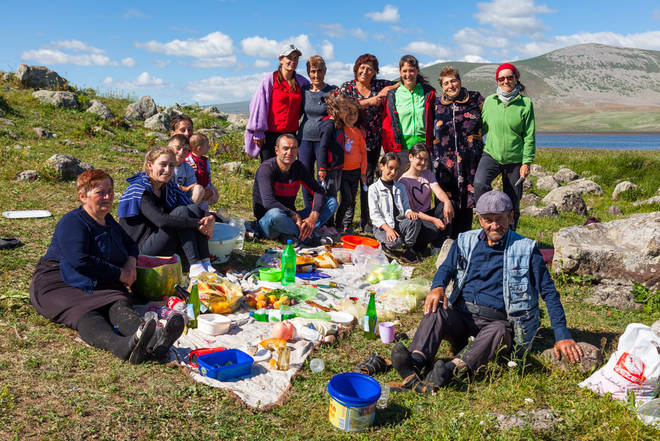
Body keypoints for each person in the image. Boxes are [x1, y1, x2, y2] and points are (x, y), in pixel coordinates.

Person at [390, 190, 583, 394]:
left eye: (500, 219)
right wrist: (437, 286)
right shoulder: (465, 241)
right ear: (480, 220)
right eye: (488, 220)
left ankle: (453, 369)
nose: (494, 226)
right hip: (462, 316)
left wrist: (562, 334)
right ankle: (417, 361)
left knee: (499, 330)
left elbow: (549, 293)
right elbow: (446, 268)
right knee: (437, 310)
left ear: (510, 216)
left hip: (497, 323)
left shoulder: (526, 249)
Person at [30, 170, 184, 364]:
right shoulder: (72, 222)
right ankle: (122, 346)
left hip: (97, 279)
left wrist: (130, 265)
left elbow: (130, 245)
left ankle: (151, 338)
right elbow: (79, 260)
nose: (107, 197)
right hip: (59, 281)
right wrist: (120, 274)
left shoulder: (107, 220)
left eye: (110, 192)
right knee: (86, 312)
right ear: (83, 196)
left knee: (118, 302)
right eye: (100, 192)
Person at [118, 146, 216, 278]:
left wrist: (208, 219)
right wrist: (198, 223)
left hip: (159, 240)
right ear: (150, 165)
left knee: (190, 209)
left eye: (171, 166)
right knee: (181, 213)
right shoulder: (139, 190)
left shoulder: (168, 186)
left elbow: (190, 207)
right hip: (139, 251)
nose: (168, 170)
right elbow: (161, 220)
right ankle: (195, 266)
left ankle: (205, 262)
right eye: (163, 165)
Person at [338, 54, 398, 233]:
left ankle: (367, 221)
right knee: (349, 184)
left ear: (375, 72)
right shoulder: (347, 87)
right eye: (362, 68)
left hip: (372, 142)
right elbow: (342, 107)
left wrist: (388, 90)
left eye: (369, 69)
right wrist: (368, 102)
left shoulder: (378, 85)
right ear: (356, 69)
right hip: (350, 143)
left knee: (369, 182)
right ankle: (343, 222)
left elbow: (397, 83)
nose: (365, 71)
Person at [475, 63, 535, 230]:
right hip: (491, 154)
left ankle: (510, 234)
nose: (506, 81)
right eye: (501, 78)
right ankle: (486, 223)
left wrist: (526, 162)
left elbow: (529, 135)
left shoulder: (526, 104)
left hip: (515, 158)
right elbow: (482, 127)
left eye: (510, 77)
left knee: (513, 199)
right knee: (479, 184)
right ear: (497, 81)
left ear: (516, 79)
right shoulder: (490, 101)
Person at [252, 134, 337, 245]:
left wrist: (313, 216)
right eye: (285, 148)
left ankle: (296, 233)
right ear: (276, 150)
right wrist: (293, 215)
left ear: (297, 150)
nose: (290, 152)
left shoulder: (298, 167)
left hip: (292, 219)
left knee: (331, 202)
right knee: (275, 214)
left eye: (294, 148)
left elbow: (319, 191)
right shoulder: (267, 169)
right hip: (269, 221)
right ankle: (309, 237)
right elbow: (268, 203)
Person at [433, 66, 485, 239]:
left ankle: (465, 237)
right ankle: (445, 238)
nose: (450, 86)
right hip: (444, 162)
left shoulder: (475, 98)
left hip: (470, 159)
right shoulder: (437, 104)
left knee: (467, 199)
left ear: (460, 81)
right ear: (442, 87)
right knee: (446, 198)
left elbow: (490, 120)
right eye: (446, 83)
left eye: (453, 81)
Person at [245, 44, 310, 162]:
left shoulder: (301, 82)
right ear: (281, 59)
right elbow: (259, 105)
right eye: (289, 57)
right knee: (269, 169)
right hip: (269, 135)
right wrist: (258, 131)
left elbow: (312, 97)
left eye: (296, 58)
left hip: (291, 134)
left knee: (287, 171)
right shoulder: (270, 79)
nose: (293, 61)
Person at [382, 55, 436, 176]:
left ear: (417, 70)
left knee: (424, 185)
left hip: (423, 147)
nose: (408, 74)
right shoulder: (393, 94)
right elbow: (386, 123)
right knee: (401, 187)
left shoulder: (428, 92)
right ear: (400, 72)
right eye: (405, 71)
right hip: (401, 148)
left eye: (411, 70)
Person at [398, 144, 454, 253]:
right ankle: (417, 247)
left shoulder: (427, 174)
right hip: (416, 217)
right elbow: (412, 210)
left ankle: (439, 245)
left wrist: (447, 201)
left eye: (426, 160)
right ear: (411, 157)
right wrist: (434, 220)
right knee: (432, 229)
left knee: (446, 206)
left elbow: (438, 191)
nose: (423, 163)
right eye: (420, 159)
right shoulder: (403, 181)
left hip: (427, 213)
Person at [298, 55, 337, 209]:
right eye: (313, 71)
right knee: (305, 177)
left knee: (324, 179)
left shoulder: (332, 91)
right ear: (308, 72)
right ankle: (309, 211)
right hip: (304, 139)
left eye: (319, 71)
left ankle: (324, 214)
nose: (316, 75)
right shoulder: (304, 91)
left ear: (325, 71)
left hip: (324, 142)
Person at [368, 152, 421, 263]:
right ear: (382, 166)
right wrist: (387, 229)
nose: (393, 172)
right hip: (382, 227)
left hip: (398, 223)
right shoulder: (374, 189)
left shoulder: (400, 187)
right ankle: (384, 245)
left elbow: (406, 206)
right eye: (390, 168)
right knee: (395, 243)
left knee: (415, 221)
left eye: (396, 169)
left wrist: (409, 212)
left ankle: (407, 249)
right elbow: (374, 214)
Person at [327, 94, 367, 233]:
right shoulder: (339, 129)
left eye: (354, 113)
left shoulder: (358, 132)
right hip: (342, 171)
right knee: (346, 199)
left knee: (352, 200)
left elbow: (363, 153)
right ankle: (338, 223)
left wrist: (363, 172)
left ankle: (347, 225)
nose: (351, 116)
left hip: (355, 172)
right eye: (348, 113)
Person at [185, 133, 219, 211]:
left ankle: (203, 214)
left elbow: (208, 174)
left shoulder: (205, 160)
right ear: (199, 148)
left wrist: (209, 186)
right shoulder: (189, 159)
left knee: (204, 206)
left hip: (204, 186)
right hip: (194, 188)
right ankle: (191, 211)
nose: (209, 147)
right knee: (197, 203)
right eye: (207, 145)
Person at [168, 134, 206, 206]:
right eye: (178, 148)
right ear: (169, 148)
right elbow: (166, 185)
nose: (181, 152)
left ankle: (190, 209)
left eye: (185, 149)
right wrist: (185, 188)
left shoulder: (188, 168)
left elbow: (192, 186)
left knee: (199, 189)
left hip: (183, 198)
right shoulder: (165, 166)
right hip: (167, 197)